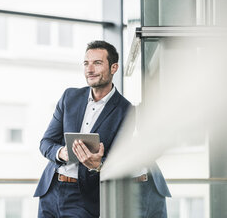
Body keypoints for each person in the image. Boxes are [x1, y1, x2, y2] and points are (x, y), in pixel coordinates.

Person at [33, 40, 170, 218]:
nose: (89, 69)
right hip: (51, 190)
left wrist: (99, 164)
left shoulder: (126, 110)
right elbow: (46, 143)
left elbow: (116, 158)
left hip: (83, 195)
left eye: (97, 63)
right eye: (86, 63)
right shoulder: (69, 97)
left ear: (114, 68)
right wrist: (61, 153)